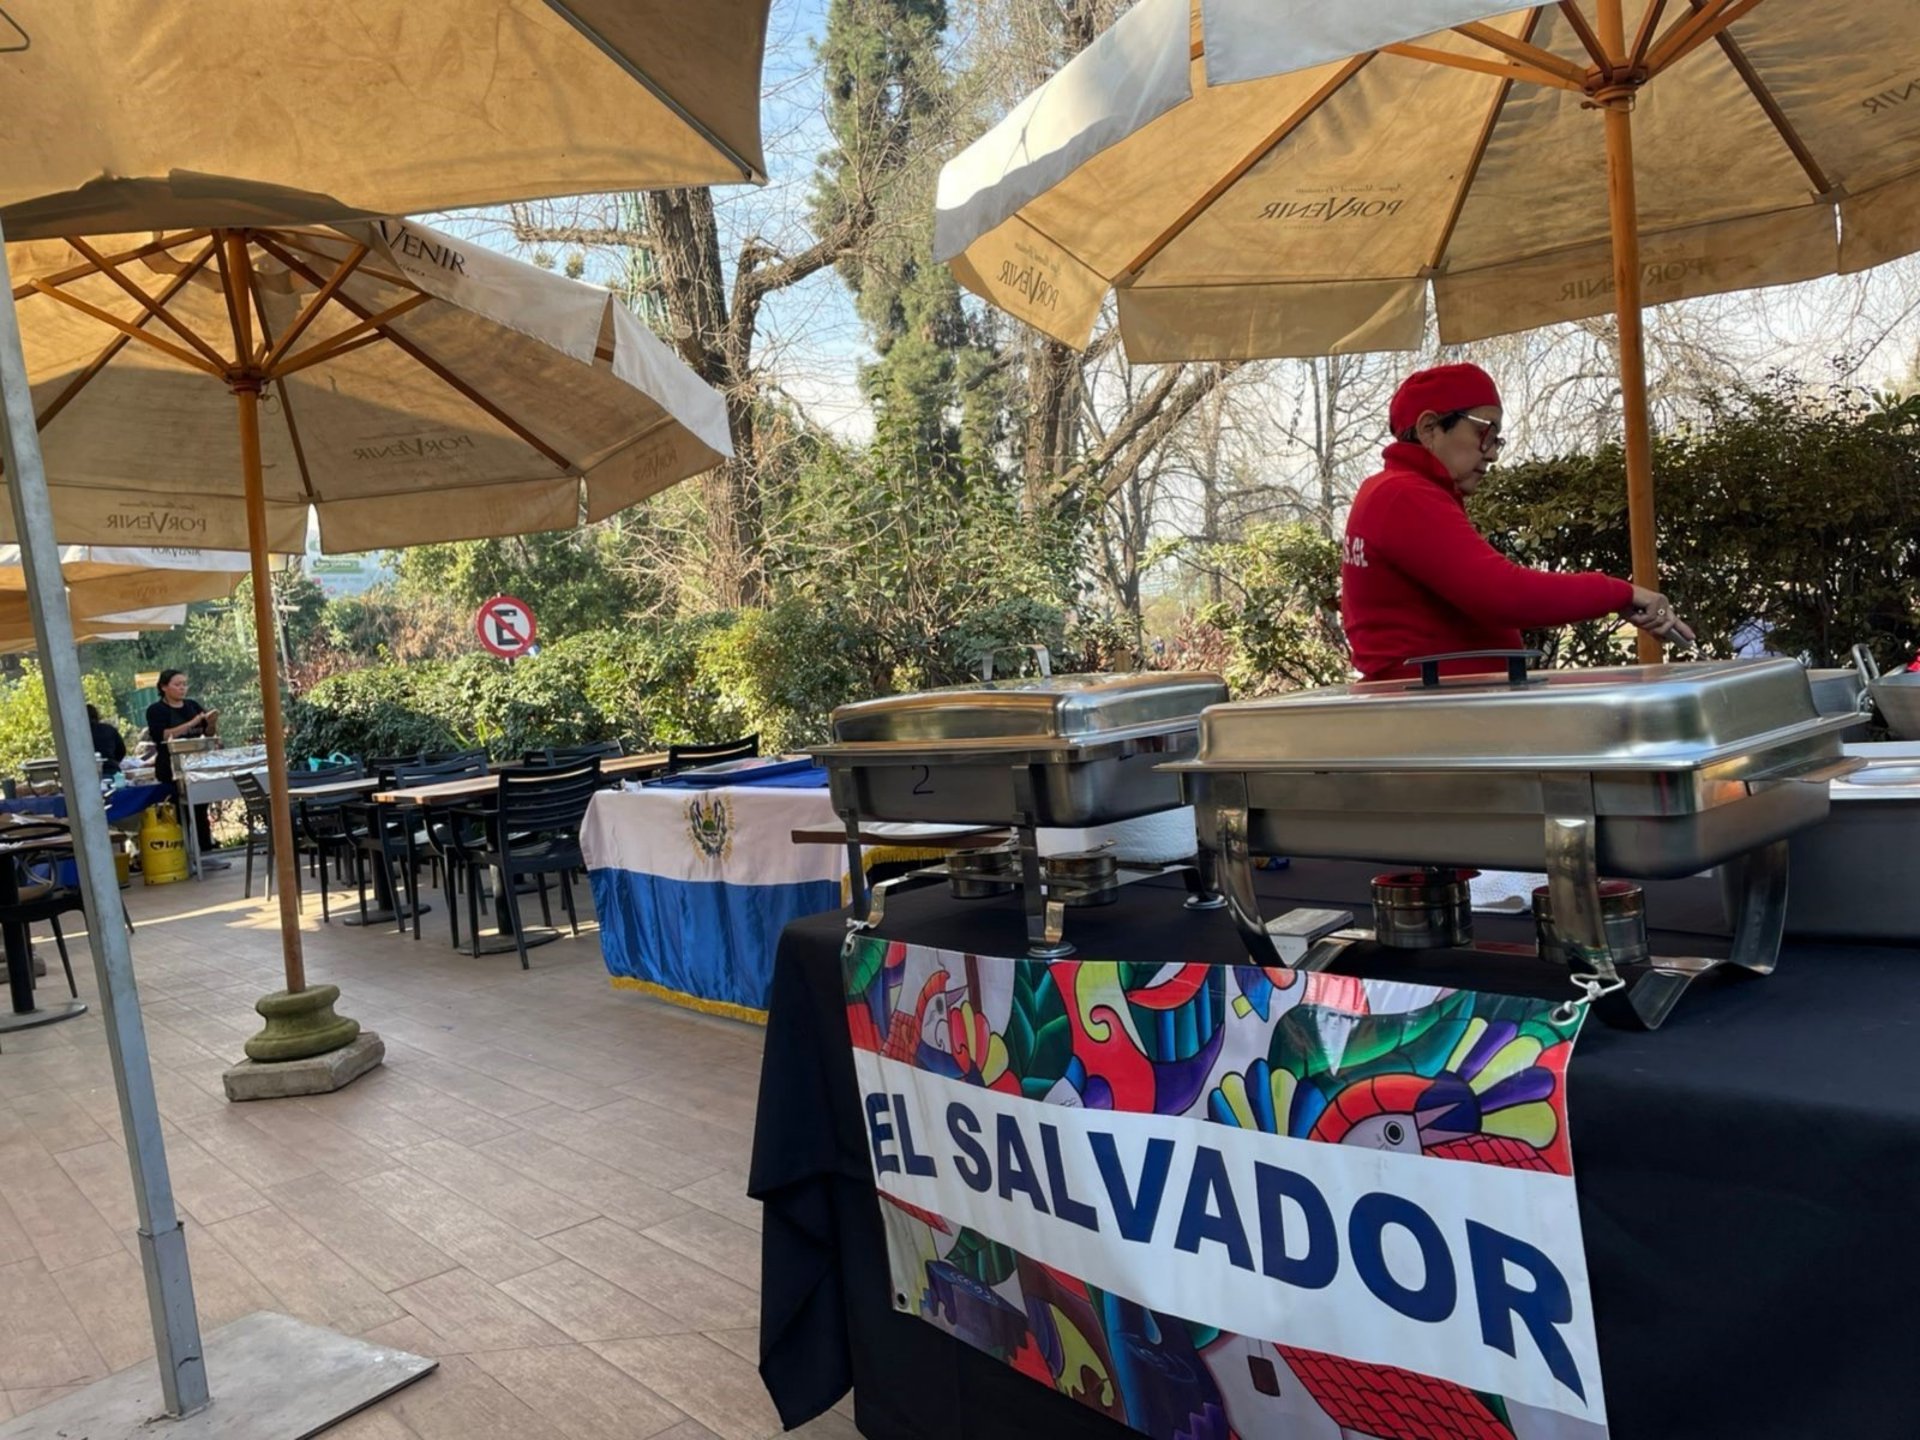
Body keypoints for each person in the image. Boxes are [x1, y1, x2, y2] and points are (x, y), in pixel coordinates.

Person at [1341, 363, 1695, 681]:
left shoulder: (1391, 491)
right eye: (1485, 433)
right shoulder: (1405, 495)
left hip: (1437, 708)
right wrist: (1622, 592)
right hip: (1438, 721)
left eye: (1497, 439)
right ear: (1429, 427)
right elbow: (1504, 595)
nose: (1493, 452)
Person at [144, 669, 227, 869]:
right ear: (164, 687)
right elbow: (162, 736)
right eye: (177, 684)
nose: (182, 688)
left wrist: (211, 724)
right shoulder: (156, 711)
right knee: (179, 812)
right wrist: (192, 723)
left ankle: (205, 854)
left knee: (200, 809)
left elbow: (207, 733)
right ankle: (181, 855)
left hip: (197, 767)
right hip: (171, 769)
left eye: (184, 684)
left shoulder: (192, 706)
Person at [87, 704, 127, 780]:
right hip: (112, 770)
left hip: (88, 774)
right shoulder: (109, 729)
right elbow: (121, 750)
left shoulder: (78, 734)